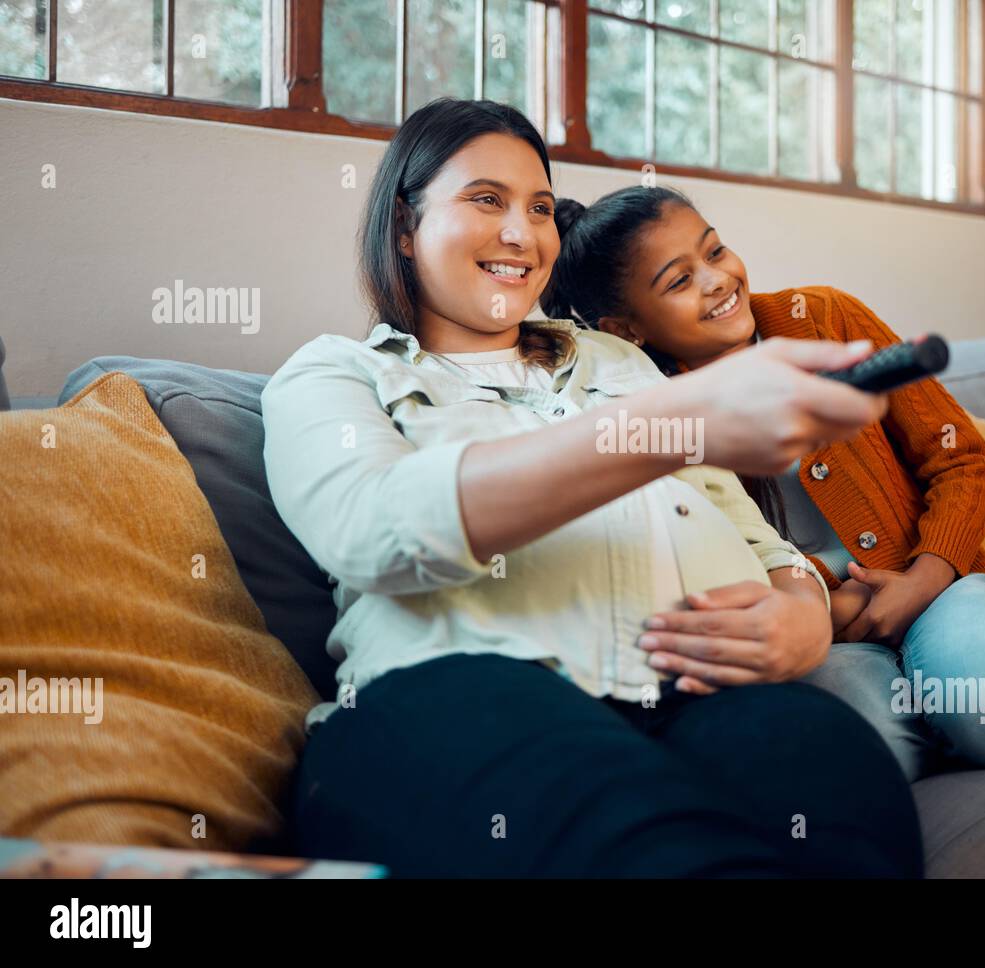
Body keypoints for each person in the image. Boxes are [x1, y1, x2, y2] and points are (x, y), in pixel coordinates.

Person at [261, 98, 922, 877]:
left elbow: (761, 542)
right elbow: (370, 531)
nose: (522, 233)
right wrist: (667, 425)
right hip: (463, 694)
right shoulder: (337, 373)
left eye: (540, 208)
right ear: (404, 228)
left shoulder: (617, 362)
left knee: (853, 832)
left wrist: (804, 617)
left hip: (704, 697)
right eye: (486, 200)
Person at [541, 185, 985, 783]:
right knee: (867, 759)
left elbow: (962, 460)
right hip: (833, 638)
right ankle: (948, 715)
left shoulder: (823, 318)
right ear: (628, 328)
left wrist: (925, 577)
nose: (717, 280)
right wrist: (831, 608)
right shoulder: (657, 413)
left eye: (715, 252)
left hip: (939, 588)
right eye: (679, 281)